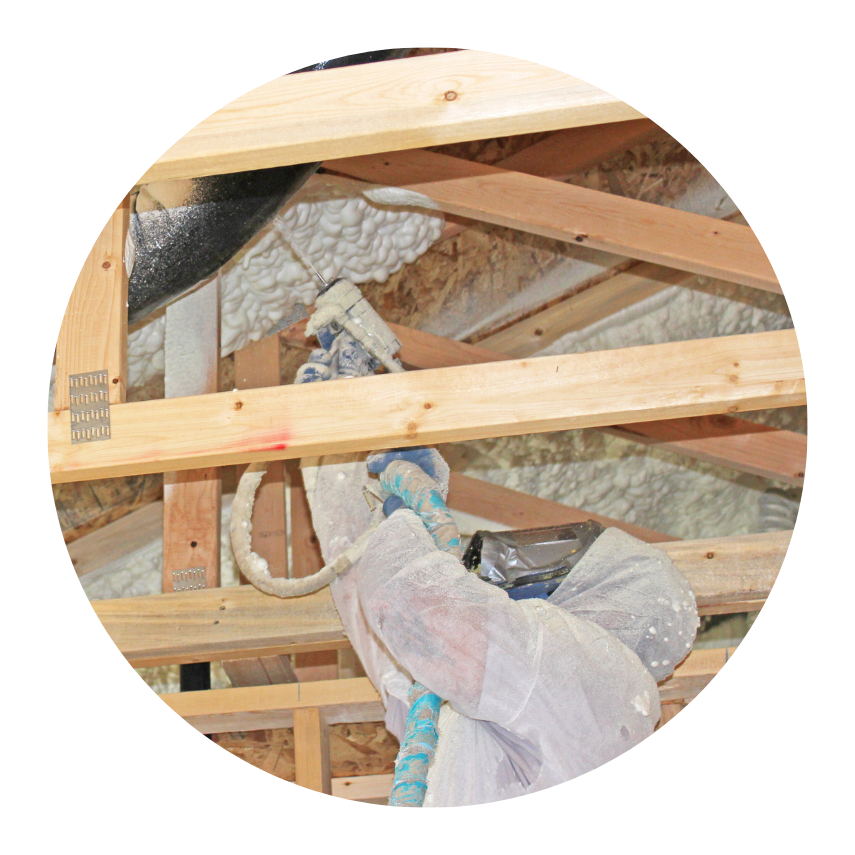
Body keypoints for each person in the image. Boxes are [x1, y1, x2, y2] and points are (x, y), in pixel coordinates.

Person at [296, 328, 701, 807]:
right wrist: (331, 437)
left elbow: (411, 606)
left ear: (606, 596)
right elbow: (380, 619)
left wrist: (410, 508)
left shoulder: (595, 681)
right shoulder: (514, 721)